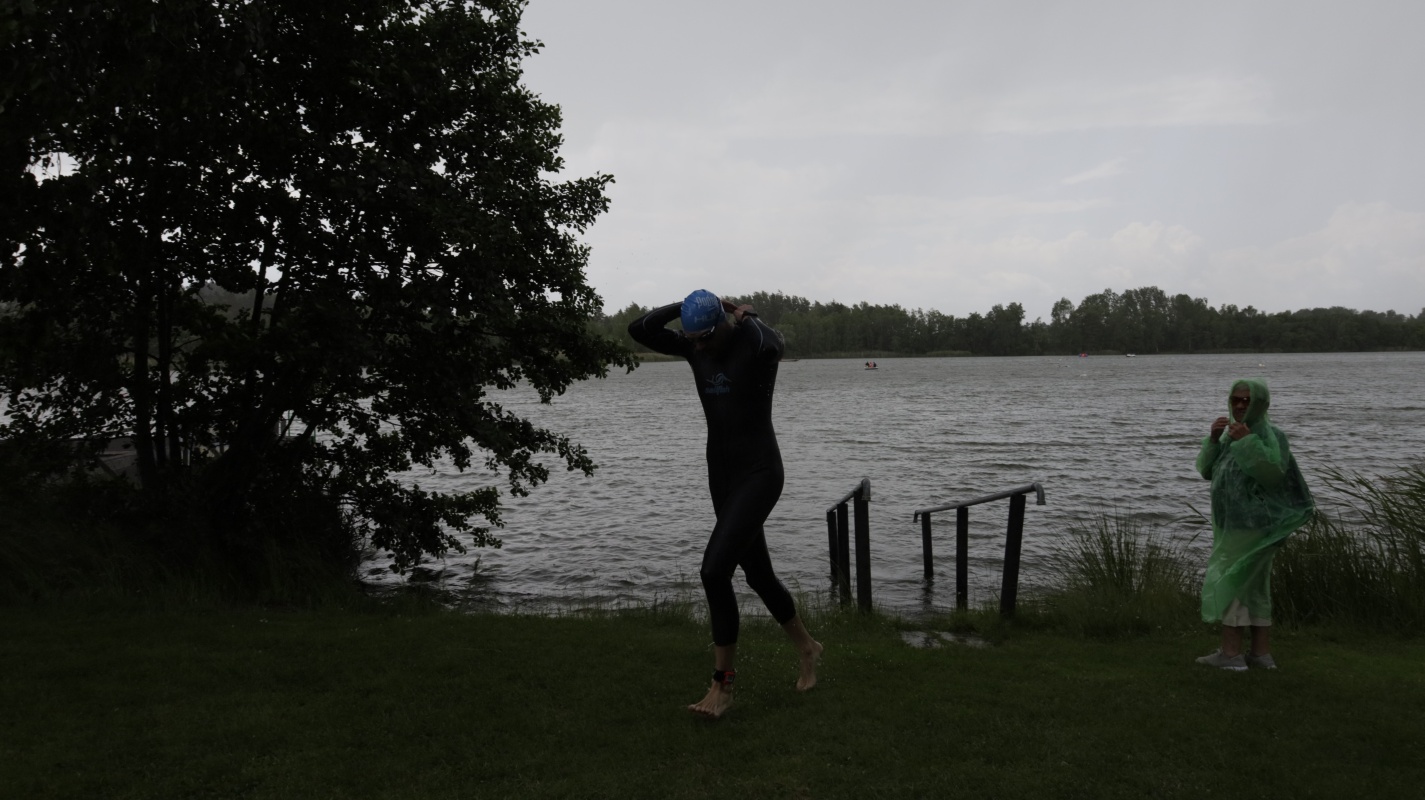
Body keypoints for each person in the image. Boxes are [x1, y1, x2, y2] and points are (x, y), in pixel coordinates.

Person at [628, 289, 823, 718]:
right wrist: (685, 307)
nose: (697, 346)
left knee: (714, 571)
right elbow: (639, 329)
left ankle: (723, 684)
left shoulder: (753, 346)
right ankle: (808, 647)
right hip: (722, 476)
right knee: (759, 575)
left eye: (704, 337)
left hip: (760, 474)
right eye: (691, 339)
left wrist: (744, 313)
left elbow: (772, 344)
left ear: (722, 325)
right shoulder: (694, 347)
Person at [1194, 378, 1314, 671]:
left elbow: (1272, 474)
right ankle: (1260, 655)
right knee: (1254, 587)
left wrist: (1247, 441)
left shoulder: (1271, 436)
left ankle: (1232, 655)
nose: (1239, 405)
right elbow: (1208, 471)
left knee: (1233, 583)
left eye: (1246, 400)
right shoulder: (1230, 436)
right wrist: (1214, 439)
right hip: (1231, 525)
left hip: (1253, 526)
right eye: (1235, 399)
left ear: (1260, 404)